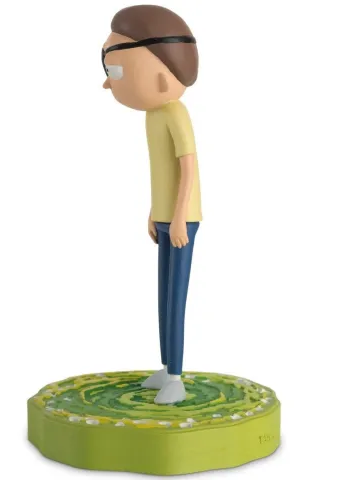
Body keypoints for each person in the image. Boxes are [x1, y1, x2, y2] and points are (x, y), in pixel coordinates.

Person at [102, 5, 202, 404]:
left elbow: (189, 169)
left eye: (115, 71)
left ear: (162, 76)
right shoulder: (153, 116)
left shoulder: (176, 113)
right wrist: (153, 212)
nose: (107, 83)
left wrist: (178, 218)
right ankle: (166, 366)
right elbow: (163, 172)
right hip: (163, 215)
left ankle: (176, 376)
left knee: (176, 298)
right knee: (162, 297)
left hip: (182, 220)